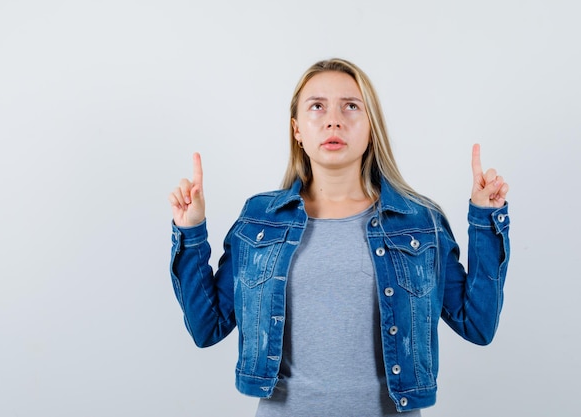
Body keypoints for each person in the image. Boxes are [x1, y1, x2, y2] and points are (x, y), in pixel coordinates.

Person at [168, 58, 510, 416]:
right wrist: (191, 231)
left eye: (351, 106)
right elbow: (208, 327)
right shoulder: (259, 220)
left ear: (370, 127)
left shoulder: (419, 221)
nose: (334, 120)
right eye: (317, 106)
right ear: (297, 129)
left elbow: (477, 325)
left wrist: (485, 221)